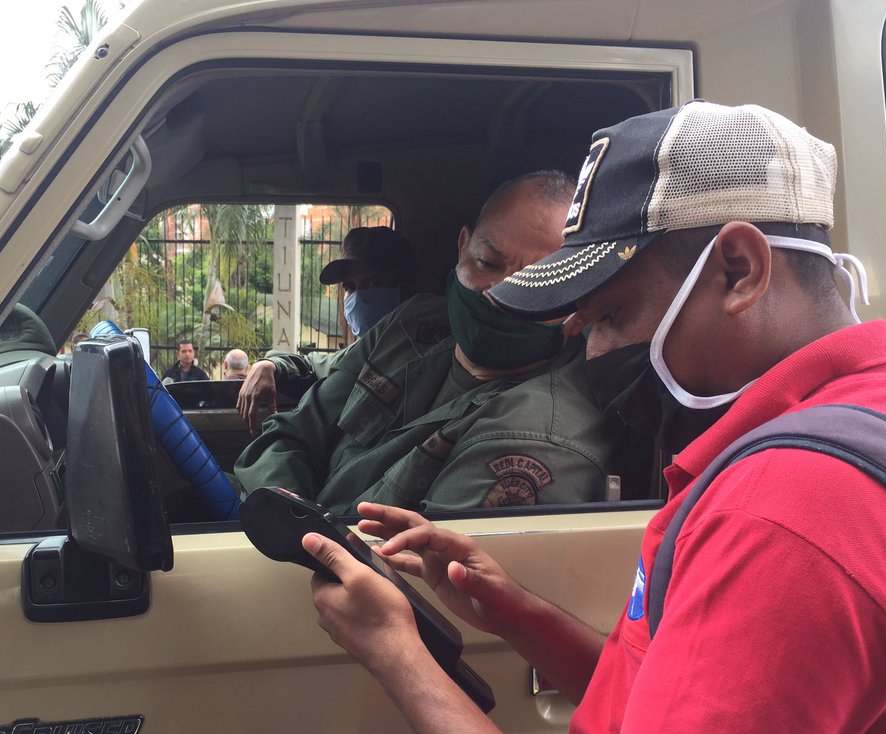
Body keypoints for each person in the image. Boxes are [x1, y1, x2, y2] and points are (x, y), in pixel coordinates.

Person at [301, 101, 886, 734]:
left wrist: (401, 659)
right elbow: (688, 712)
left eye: (613, 315)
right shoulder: (861, 425)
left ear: (740, 271)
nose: (593, 353)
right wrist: (518, 613)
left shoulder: (789, 514)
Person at [234, 170, 624, 515]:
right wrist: (285, 514)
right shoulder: (412, 324)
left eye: (537, 280)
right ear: (462, 246)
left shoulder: (537, 438)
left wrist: (293, 530)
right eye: (487, 263)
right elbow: (292, 432)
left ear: (579, 307)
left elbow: (411, 578)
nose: (499, 292)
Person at [237, 225, 417, 433]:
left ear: (404, 290)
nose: (358, 297)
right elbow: (312, 366)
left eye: (372, 283)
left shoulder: (428, 360)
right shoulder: (357, 353)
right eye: (350, 287)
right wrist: (269, 365)